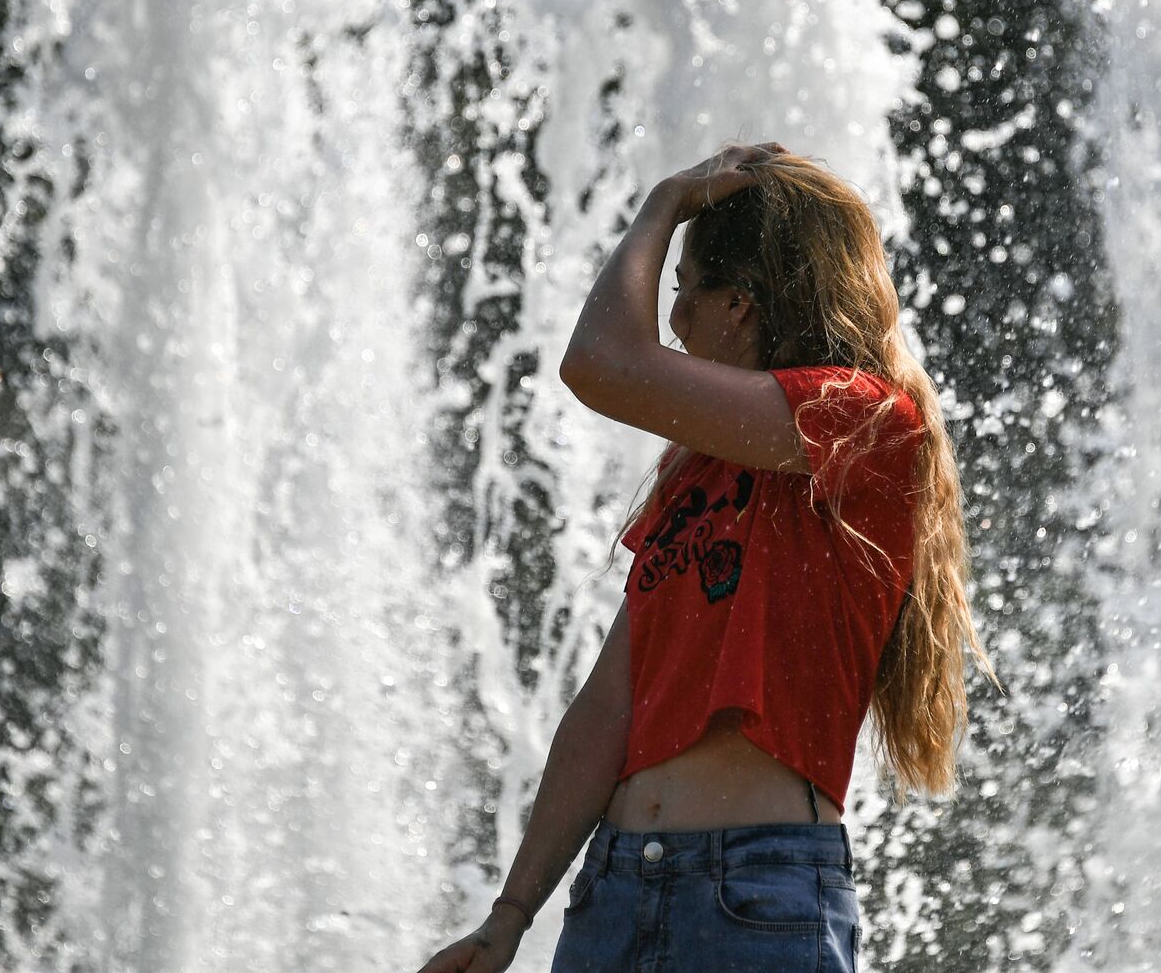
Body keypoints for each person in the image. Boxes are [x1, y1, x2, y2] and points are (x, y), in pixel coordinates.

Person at [417, 142, 997, 973]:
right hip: (614, 892)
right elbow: (609, 706)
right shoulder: (693, 472)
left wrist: (663, 205)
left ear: (738, 306)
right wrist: (509, 918)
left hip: (755, 897)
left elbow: (601, 364)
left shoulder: (868, 423)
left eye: (683, 292)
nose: (673, 321)